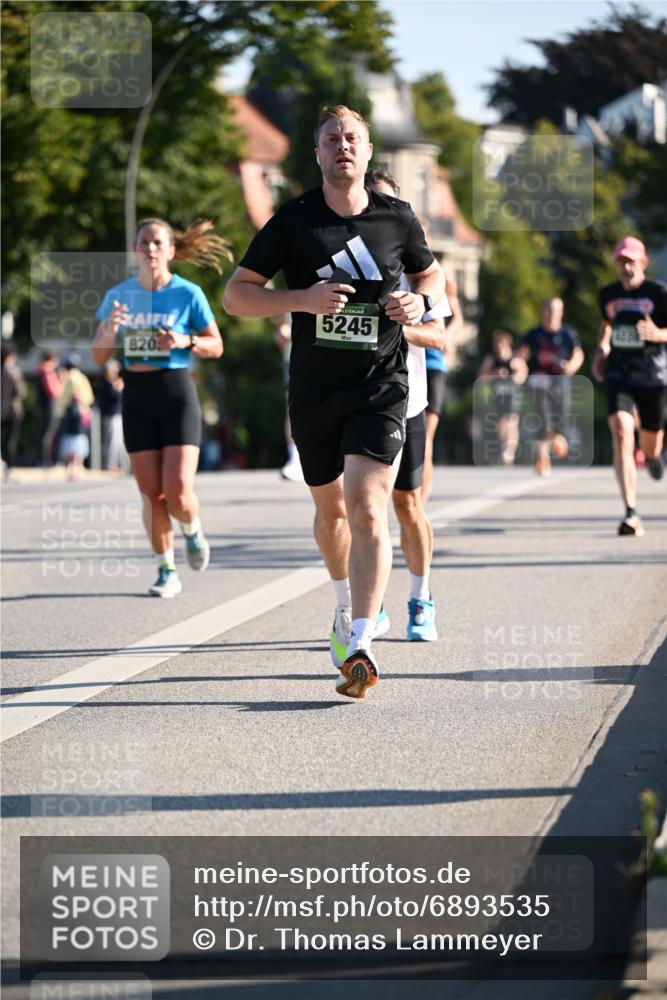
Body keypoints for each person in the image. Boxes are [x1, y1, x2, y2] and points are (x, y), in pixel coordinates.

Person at [223, 105, 444, 698]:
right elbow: (237, 297)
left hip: (383, 384)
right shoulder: (292, 221)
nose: (342, 145)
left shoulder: (398, 218)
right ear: (317, 154)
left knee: (369, 506)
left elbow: (432, 278)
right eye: (330, 139)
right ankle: (345, 606)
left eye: (352, 138)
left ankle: (363, 643)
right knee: (331, 514)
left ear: (368, 152)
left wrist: (419, 305)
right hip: (316, 389)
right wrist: (302, 298)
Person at [92, 218, 227, 597]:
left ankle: (192, 528)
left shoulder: (188, 293)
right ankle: (166, 569)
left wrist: (185, 340)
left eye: (157, 243)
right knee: (152, 494)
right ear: (136, 250)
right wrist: (108, 329)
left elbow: (215, 345)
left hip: (176, 392)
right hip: (137, 394)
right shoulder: (119, 295)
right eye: (143, 242)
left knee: (179, 491)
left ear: (170, 250)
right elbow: (100, 356)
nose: (149, 249)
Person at [360, 167, 450, 643]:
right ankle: (367, 608)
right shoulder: (344, 257)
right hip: (355, 398)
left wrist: (398, 327)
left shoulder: (420, 267)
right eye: (371, 199)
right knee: (362, 507)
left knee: (407, 505)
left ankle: (421, 597)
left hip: (407, 397)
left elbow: (440, 337)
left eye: (387, 201)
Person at [592, 236, 667, 536]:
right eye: (621, 261)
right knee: (622, 433)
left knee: (650, 441)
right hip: (620, 374)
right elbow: (606, 324)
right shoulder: (608, 294)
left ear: (643, 262)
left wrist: (657, 333)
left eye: (631, 260)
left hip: (653, 376)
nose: (626, 266)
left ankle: (652, 456)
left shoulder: (659, 293)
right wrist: (601, 349)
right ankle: (631, 512)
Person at [519, 298, 584, 476]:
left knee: (561, 418)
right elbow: (521, 355)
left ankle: (558, 439)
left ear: (561, 312)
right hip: (538, 382)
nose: (552, 313)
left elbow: (578, 354)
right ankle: (543, 458)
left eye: (556, 310)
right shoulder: (533, 334)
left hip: (560, 383)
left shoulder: (568, 334)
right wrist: (519, 368)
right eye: (549, 309)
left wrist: (571, 366)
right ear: (543, 311)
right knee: (542, 417)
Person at [422, 270, 463, 501]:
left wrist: (445, 335)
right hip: (403, 365)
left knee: (426, 437)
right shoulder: (393, 266)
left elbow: (458, 319)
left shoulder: (443, 276)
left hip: (433, 365)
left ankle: (422, 500)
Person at [477, 330, 528, 465]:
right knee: (501, 424)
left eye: (501, 344)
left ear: (507, 344)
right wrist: (495, 374)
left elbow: (522, 376)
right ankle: (504, 447)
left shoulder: (515, 359)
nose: (498, 347)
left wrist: (512, 375)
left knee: (511, 421)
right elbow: (481, 377)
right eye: (497, 344)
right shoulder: (491, 359)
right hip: (498, 395)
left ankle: (509, 451)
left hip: (513, 395)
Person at [273, 314, 304, 482]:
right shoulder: (293, 290)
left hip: (329, 359)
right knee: (293, 409)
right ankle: (296, 459)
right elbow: (283, 327)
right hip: (295, 359)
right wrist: (282, 333)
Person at [55, 354, 94, 481]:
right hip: (83, 413)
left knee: (70, 439)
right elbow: (90, 397)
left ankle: (72, 469)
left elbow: (64, 398)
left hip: (72, 413)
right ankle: (78, 467)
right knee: (80, 438)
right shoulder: (83, 378)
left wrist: (59, 411)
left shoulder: (69, 378)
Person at [1, 344, 26, 479]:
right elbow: (20, 392)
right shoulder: (14, 372)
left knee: (5, 441)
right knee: (10, 441)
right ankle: (8, 469)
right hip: (12, 412)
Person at [36, 350, 62, 466]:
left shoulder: (39, 371)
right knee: (49, 434)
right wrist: (61, 383)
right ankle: (46, 460)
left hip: (41, 405)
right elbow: (54, 391)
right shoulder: (48, 372)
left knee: (43, 433)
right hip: (49, 406)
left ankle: (42, 459)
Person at [98, 359, 125, 472]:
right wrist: (119, 388)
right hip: (111, 415)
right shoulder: (107, 384)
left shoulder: (112, 383)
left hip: (116, 415)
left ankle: (115, 464)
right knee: (112, 442)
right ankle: (110, 464)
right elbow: (116, 397)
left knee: (117, 442)